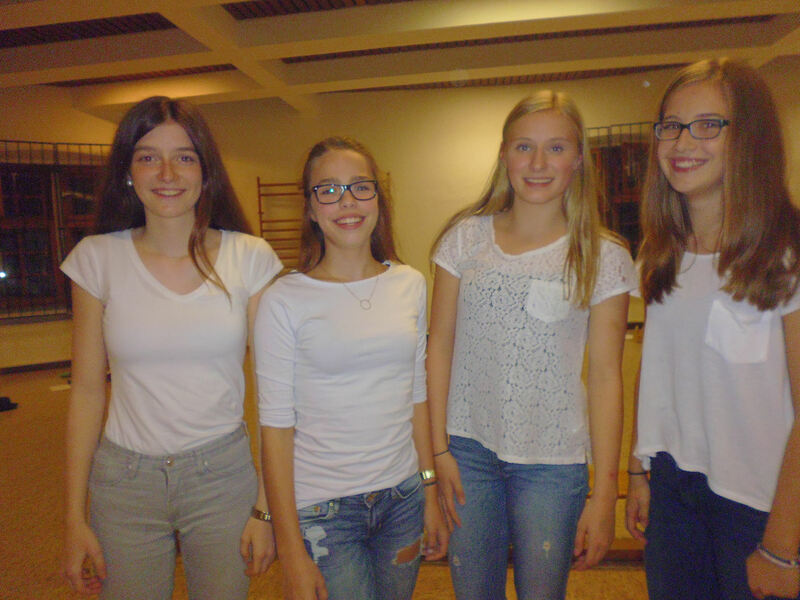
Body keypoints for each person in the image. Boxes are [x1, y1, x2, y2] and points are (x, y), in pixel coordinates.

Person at [61, 96, 282, 599]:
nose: (167, 173)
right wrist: (74, 517)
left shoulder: (250, 257)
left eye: (184, 156)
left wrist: (266, 507)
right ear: (127, 172)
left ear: (206, 171)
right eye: (148, 156)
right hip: (124, 481)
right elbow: (87, 393)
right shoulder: (96, 259)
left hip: (221, 476)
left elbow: (275, 392)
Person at [427, 90, 635, 600]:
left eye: (556, 148)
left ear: (578, 158)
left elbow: (606, 378)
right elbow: (439, 347)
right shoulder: (463, 238)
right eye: (524, 147)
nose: (538, 163)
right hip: (467, 451)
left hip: (552, 460)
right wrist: (437, 453)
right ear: (504, 154)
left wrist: (603, 494)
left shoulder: (603, 255)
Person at [625, 58, 800, 600]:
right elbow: (658, 369)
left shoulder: (787, 253)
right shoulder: (660, 252)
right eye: (671, 125)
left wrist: (782, 546)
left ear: (749, 138)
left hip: (760, 505)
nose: (682, 142)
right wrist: (639, 468)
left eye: (708, 125)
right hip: (674, 488)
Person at [255, 136, 448, 600]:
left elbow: (416, 398)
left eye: (361, 187)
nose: (347, 202)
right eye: (328, 190)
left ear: (379, 198)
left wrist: (429, 492)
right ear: (310, 208)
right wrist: (291, 549)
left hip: (402, 499)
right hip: (325, 511)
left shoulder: (409, 284)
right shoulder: (283, 300)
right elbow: (275, 431)